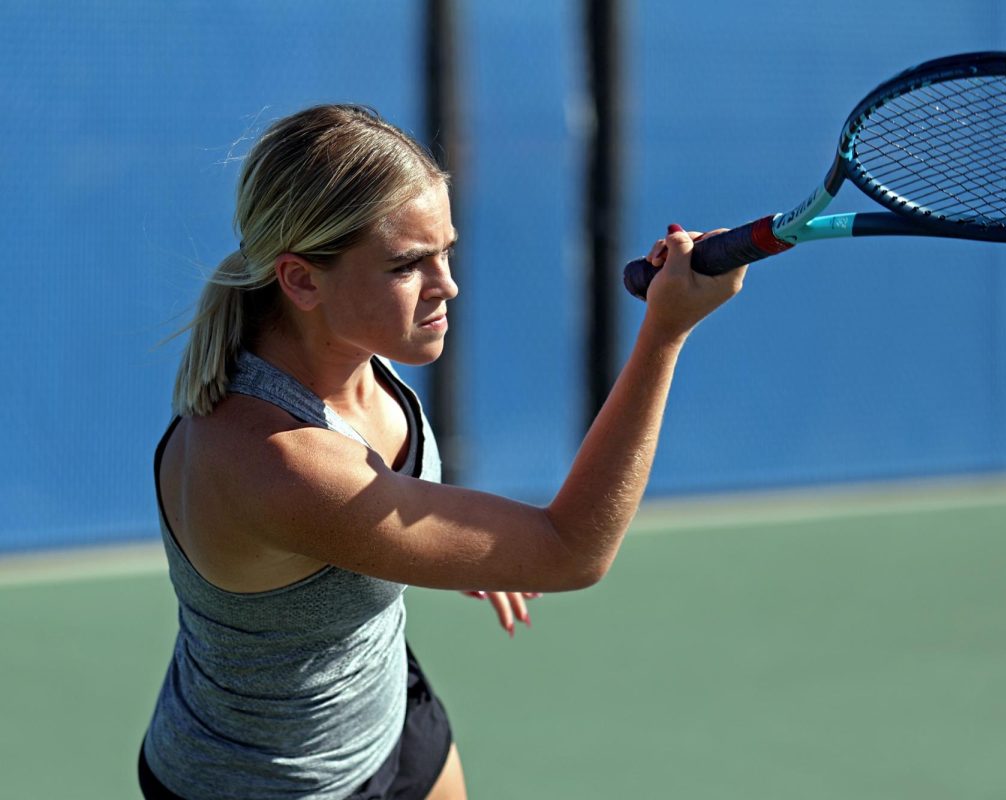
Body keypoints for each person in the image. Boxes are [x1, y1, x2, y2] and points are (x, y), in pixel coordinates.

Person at [139, 104, 745, 800]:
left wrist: (426, 538)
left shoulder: (341, 347)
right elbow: (571, 552)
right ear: (301, 279)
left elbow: (361, 510)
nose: (447, 285)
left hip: (385, 702)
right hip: (273, 783)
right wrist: (665, 333)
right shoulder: (281, 462)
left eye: (445, 251)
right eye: (407, 266)